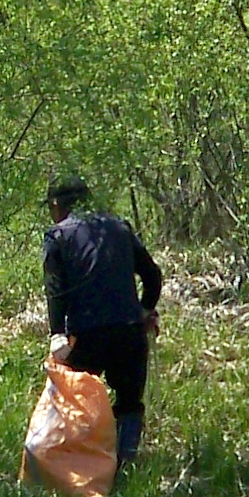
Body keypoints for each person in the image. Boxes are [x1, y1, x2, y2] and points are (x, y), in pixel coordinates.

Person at [41, 175, 163, 473]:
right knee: (130, 402)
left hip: (87, 334)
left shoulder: (57, 236)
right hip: (129, 330)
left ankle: (84, 472)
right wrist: (145, 310)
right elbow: (153, 276)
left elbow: (55, 289)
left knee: (78, 402)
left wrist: (57, 334)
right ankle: (125, 468)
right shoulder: (119, 227)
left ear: (57, 205)